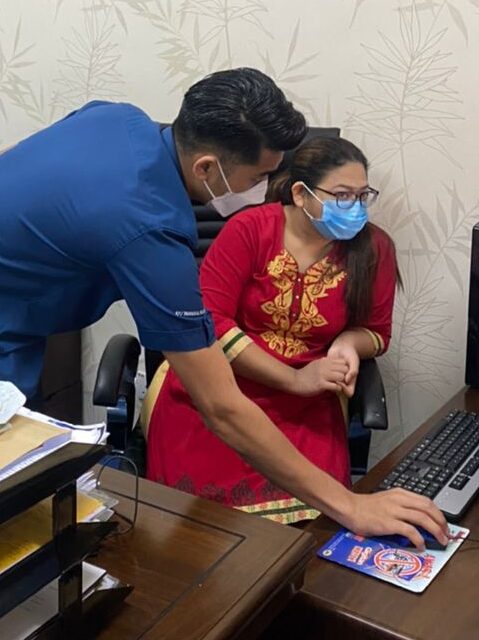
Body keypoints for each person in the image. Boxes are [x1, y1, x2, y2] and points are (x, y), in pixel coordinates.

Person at [0, 67, 447, 548]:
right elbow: (221, 407)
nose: (267, 189)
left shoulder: (116, 118)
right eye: (259, 177)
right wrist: (351, 505)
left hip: (19, 313)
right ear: (207, 169)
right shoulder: (154, 235)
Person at [145, 135, 448, 544]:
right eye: (342, 196)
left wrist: (347, 344)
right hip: (220, 386)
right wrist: (292, 379)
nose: (355, 207)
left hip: (307, 403)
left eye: (363, 196)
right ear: (302, 194)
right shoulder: (250, 228)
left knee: (309, 534)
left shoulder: (374, 248)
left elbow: (378, 332)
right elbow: (210, 319)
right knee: (198, 538)